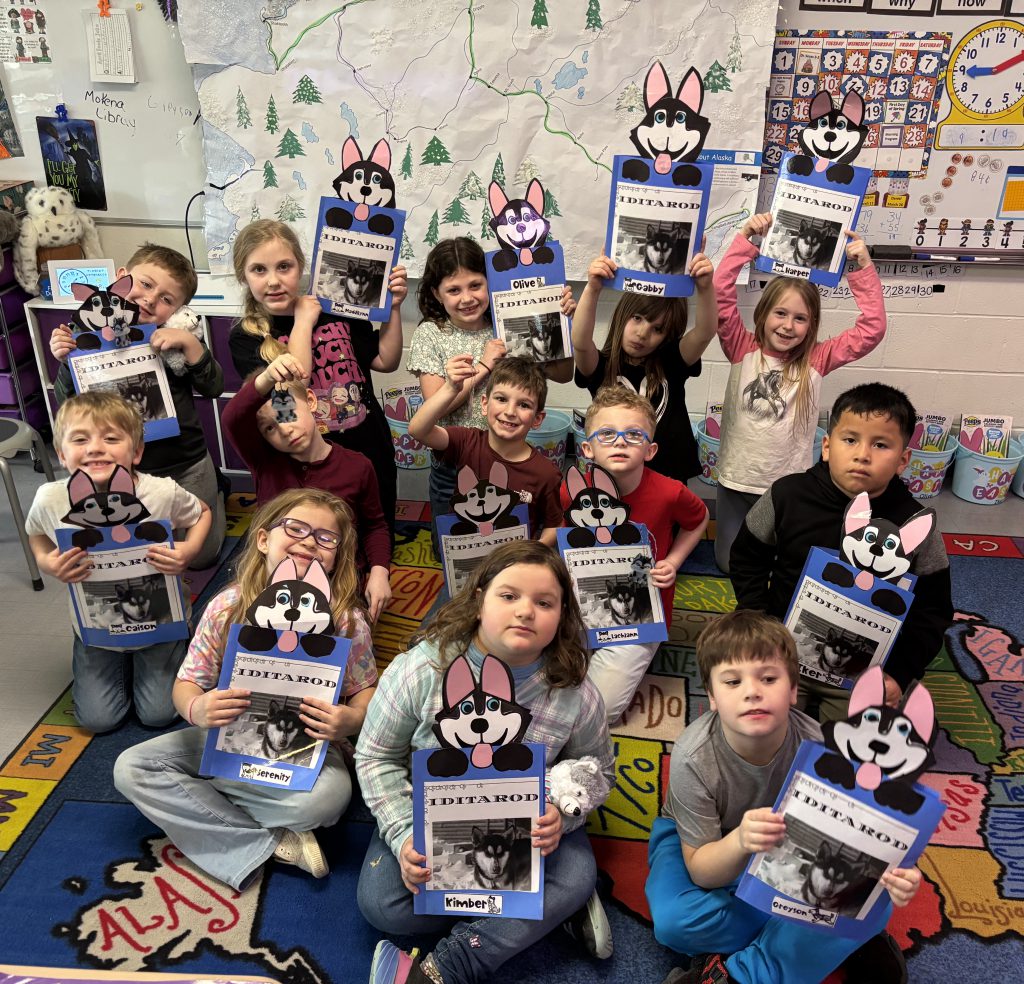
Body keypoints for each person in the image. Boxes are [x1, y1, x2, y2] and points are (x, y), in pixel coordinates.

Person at [356, 540, 616, 984]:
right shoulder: (421, 669)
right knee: (382, 904)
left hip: (529, 834)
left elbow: (598, 769)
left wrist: (561, 816)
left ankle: (450, 966)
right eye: (509, 595)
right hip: (432, 824)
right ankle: (540, 918)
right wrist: (402, 836)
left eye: (545, 602)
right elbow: (375, 755)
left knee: (575, 875)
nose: (525, 611)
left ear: (563, 617)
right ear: (479, 600)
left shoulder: (575, 691)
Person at [113, 488, 377, 890]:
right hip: (225, 737)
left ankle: (209, 808)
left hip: (308, 750)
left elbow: (365, 688)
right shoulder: (227, 608)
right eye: (296, 528)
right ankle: (270, 842)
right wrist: (197, 708)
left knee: (328, 800)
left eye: (326, 538)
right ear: (263, 539)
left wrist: (352, 718)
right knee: (130, 768)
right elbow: (187, 683)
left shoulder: (346, 619)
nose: (309, 541)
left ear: (337, 557)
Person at [646, 610, 922, 984]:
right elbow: (702, 871)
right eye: (732, 681)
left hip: (786, 860)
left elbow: (861, 840)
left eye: (769, 677)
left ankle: (737, 973)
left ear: (793, 691)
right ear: (711, 697)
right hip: (705, 846)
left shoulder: (823, 751)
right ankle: (825, 937)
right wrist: (741, 840)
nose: (752, 690)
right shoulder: (692, 756)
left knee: (879, 898)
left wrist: (895, 873)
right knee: (673, 923)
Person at [729, 383, 953, 722]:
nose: (863, 454)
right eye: (850, 440)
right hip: (783, 650)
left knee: (850, 757)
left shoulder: (915, 525)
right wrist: (759, 620)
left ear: (903, 461)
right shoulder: (787, 495)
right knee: (754, 727)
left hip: (864, 670)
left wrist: (900, 674)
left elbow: (933, 610)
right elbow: (747, 557)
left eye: (881, 444)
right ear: (827, 447)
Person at [25, 392, 211, 733]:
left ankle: (163, 654)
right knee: (98, 720)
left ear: (136, 452)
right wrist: (45, 562)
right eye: (81, 439)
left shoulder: (160, 493)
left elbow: (202, 513)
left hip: (159, 626)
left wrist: (189, 550)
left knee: (158, 714)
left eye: (111, 438)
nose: (96, 448)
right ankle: (118, 664)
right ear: (62, 454)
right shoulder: (50, 498)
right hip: (97, 631)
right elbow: (35, 532)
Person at [711, 214, 886, 573]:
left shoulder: (817, 359)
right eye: (780, 313)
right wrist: (745, 239)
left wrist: (862, 267)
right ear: (763, 314)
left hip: (788, 490)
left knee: (786, 565)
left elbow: (872, 329)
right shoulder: (741, 347)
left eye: (801, 318)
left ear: (812, 326)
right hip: (735, 479)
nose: (788, 326)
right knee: (729, 565)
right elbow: (719, 292)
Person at [49, 243, 226, 568]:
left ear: (177, 308)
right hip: (123, 471)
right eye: (144, 284)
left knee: (202, 557)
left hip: (186, 463)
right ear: (121, 278)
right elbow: (66, 404)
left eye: (166, 299)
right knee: (134, 553)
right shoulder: (86, 332)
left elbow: (214, 386)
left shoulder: (174, 335)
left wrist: (191, 345)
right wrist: (64, 361)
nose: (149, 299)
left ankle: (217, 493)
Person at [227, 219, 407, 536]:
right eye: (259, 270)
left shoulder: (338, 308)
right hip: (306, 460)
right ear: (244, 275)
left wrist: (392, 309)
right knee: (318, 542)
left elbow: (386, 360)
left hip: (367, 446)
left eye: (284, 267)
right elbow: (294, 385)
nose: (273, 281)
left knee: (375, 535)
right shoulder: (245, 337)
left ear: (301, 266)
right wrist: (303, 322)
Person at [407, 237, 574, 552]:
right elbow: (435, 409)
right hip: (454, 461)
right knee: (456, 550)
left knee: (505, 545)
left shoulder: (506, 323)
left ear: (490, 283)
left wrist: (562, 324)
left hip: (506, 459)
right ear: (436, 294)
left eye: (475, 285)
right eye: (454, 290)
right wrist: (484, 365)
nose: (467, 298)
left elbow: (563, 374)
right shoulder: (430, 333)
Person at [565, 385, 708, 722]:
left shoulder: (670, 492)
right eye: (607, 433)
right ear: (587, 448)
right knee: (532, 666)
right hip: (582, 605)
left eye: (633, 434)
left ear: (650, 449)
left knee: (602, 711)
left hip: (642, 614)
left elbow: (699, 519)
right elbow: (562, 531)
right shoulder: (570, 491)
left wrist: (672, 561)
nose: (620, 441)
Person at [221, 353, 392, 622]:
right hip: (274, 573)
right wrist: (266, 378)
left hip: (335, 574)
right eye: (269, 428)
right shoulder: (265, 461)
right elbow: (232, 418)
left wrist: (380, 571)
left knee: (343, 640)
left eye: (288, 414)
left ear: (311, 401)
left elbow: (375, 526)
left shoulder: (358, 466)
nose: (285, 430)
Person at [570, 246, 717, 485]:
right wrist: (593, 288)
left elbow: (705, 332)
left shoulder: (672, 361)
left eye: (657, 329)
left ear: (666, 336)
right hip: (617, 476)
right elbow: (581, 343)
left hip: (670, 475)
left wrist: (705, 287)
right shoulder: (602, 366)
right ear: (622, 314)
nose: (642, 333)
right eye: (637, 318)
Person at [408, 355, 562, 551]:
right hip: (465, 558)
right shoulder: (466, 441)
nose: (510, 411)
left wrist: (535, 550)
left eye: (524, 405)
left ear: (537, 419)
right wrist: (450, 388)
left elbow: (554, 524)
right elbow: (418, 430)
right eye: (501, 399)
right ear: (484, 404)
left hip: (513, 563)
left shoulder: (545, 473)